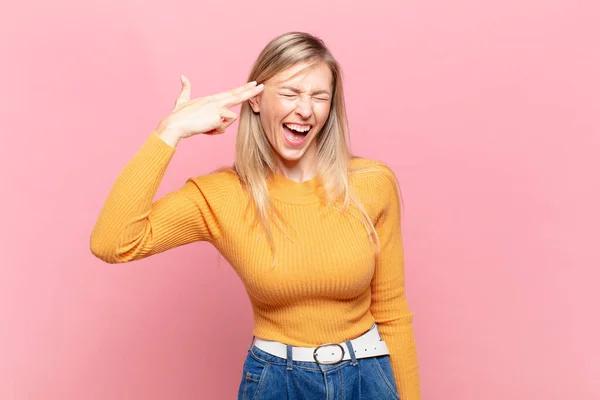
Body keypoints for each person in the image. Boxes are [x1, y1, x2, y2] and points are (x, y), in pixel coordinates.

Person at [90, 31, 420, 399]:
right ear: (257, 99)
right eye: (291, 93)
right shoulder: (223, 195)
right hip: (279, 383)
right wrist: (170, 132)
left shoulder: (372, 183)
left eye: (319, 96)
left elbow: (392, 312)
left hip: (369, 378)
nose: (305, 109)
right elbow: (112, 242)